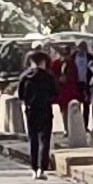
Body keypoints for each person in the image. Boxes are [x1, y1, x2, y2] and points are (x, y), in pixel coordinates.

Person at [17, 42, 60, 175]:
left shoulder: (24, 77)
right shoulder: (49, 77)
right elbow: (55, 93)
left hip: (30, 110)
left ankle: (34, 168)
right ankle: (42, 168)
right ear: (43, 62)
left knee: (33, 139)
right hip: (45, 110)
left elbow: (20, 95)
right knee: (44, 140)